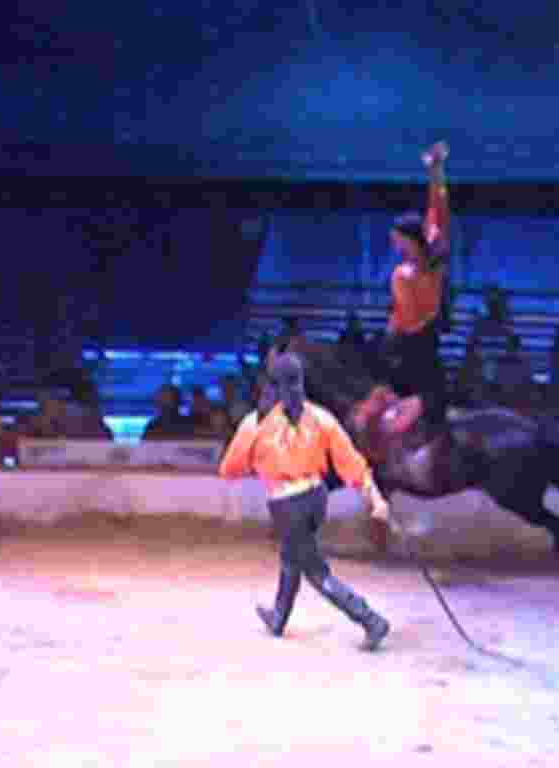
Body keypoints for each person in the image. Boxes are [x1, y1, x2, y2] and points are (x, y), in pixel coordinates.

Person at [218, 349, 393, 650]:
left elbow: (229, 469)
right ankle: (278, 617)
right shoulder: (322, 417)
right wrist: (376, 499)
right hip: (316, 498)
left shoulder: (255, 423)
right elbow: (352, 464)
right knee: (292, 556)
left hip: (287, 504)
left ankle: (370, 619)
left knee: (315, 571)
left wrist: (260, 461)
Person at [381, 141, 451, 423]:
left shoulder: (416, 268)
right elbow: (438, 208)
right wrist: (436, 170)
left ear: (408, 239)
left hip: (416, 348)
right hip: (414, 346)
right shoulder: (421, 261)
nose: (394, 244)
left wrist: (437, 171)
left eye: (397, 240)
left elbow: (439, 210)